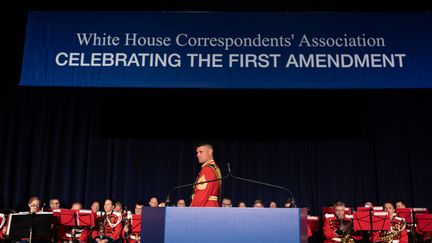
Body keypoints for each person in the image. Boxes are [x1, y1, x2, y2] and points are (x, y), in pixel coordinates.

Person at [190, 142, 222, 207]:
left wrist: (192, 212)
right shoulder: (213, 167)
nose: (197, 155)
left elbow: (201, 195)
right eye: (197, 152)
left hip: (206, 210)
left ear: (210, 152)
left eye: (201, 152)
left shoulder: (208, 169)